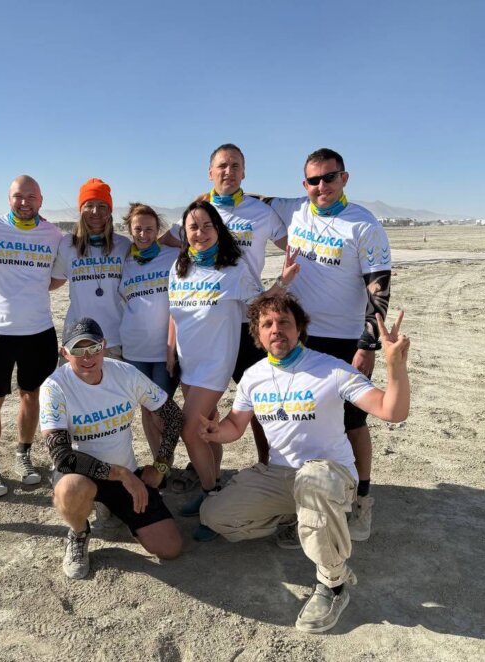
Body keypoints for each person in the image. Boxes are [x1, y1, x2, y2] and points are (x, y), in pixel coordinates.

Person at [198, 293, 410, 633]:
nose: (276, 329)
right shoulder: (253, 376)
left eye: (284, 322)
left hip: (330, 474)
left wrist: (395, 366)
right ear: (258, 335)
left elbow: (392, 410)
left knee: (312, 480)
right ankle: (301, 518)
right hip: (281, 475)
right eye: (267, 324)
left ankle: (333, 585)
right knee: (215, 515)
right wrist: (215, 432)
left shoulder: (331, 369)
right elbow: (235, 426)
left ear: (299, 329)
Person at [260, 148, 392, 541]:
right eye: (314, 180)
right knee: (297, 417)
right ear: (305, 184)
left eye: (329, 177)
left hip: (344, 340)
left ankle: (362, 499)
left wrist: (367, 345)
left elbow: (379, 290)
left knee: (352, 421)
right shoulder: (294, 209)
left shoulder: (364, 225)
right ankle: (297, 500)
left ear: (344, 178)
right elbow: (249, 198)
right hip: (297, 338)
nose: (322, 186)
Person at [168, 200, 297, 541]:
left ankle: (211, 497)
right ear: (185, 232)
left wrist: (283, 281)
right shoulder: (179, 267)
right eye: (193, 227)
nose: (200, 233)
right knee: (206, 427)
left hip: (214, 362)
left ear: (218, 230)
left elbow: (260, 304)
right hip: (188, 361)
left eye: (207, 226)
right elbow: (174, 313)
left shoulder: (233, 267)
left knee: (189, 430)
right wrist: (170, 351)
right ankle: (214, 486)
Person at [163, 144, 289, 470]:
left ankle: (267, 465)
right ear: (210, 172)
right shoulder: (198, 212)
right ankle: (206, 469)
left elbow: (293, 246)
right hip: (211, 324)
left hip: (250, 319)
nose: (228, 172)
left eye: (235, 166)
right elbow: (167, 241)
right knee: (205, 407)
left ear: (244, 172)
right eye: (222, 166)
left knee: (261, 401)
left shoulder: (261, 212)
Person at [39, 318, 185, 579]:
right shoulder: (54, 387)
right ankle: (79, 532)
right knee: (70, 490)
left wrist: (161, 465)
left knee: (170, 549)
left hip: (125, 475)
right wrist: (121, 474)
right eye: (78, 350)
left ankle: (114, 509)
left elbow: (173, 416)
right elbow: (62, 457)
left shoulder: (125, 374)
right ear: (65, 353)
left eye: (94, 348)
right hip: (83, 475)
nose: (88, 357)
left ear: (104, 345)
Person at [0, 175, 65, 496]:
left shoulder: (53, 235)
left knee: (32, 396)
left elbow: (57, 279)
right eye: (19, 196)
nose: (25, 202)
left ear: (41, 200)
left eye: (31, 197)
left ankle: (24, 455)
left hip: (39, 331)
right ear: (9, 199)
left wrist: (31, 289)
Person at [118, 202, 179, 458]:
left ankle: (166, 460)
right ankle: (160, 465)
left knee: (162, 411)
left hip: (165, 348)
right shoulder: (124, 261)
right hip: (134, 349)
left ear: (158, 230)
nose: (143, 235)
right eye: (138, 229)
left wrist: (172, 348)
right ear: (130, 230)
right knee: (146, 409)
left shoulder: (172, 255)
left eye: (149, 229)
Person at [51, 178, 129, 359]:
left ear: (110, 210)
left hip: (116, 339)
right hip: (77, 339)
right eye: (89, 205)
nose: (95, 211)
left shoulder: (124, 245)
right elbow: (53, 281)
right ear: (81, 210)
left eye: (102, 206)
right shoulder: (67, 244)